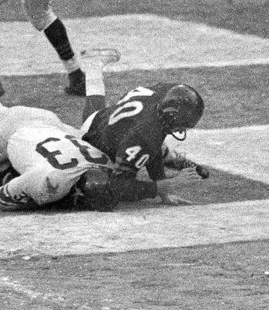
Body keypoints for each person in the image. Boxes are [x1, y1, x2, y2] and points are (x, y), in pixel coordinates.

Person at [0, 53, 126, 213]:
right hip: (15, 125)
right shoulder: (50, 181)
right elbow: (1, 199)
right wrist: (56, 201)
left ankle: (93, 68)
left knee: (95, 130)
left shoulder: (108, 165)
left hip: (57, 129)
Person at [79, 48, 207, 206]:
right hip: (93, 145)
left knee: (153, 148)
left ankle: (169, 156)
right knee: (105, 193)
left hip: (107, 119)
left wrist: (164, 192)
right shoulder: (145, 134)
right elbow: (118, 188)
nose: (181, 131)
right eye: (181, 127)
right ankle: (171, 157)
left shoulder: (164, 96)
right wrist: (167, 185)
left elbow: (154, 140)